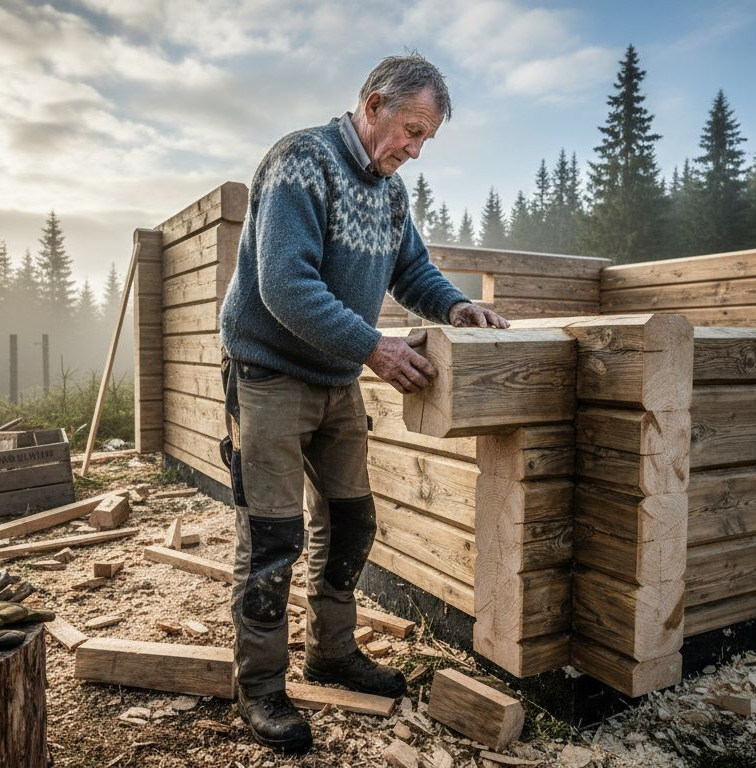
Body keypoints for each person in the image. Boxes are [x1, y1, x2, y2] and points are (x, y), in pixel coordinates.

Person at [217, 53, 510, 752]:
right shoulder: (300, 161)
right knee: (272, 540)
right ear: (373, 104)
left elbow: (410, 268)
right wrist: (373, 347)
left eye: (425, 140)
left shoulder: (388, 189)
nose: (412, 149)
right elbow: (285, 286)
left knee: (350, 524)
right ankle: (259, 690)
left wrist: (455, 304)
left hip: (335, 376)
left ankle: (332, 652)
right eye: (410, 130)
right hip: (269, 375)